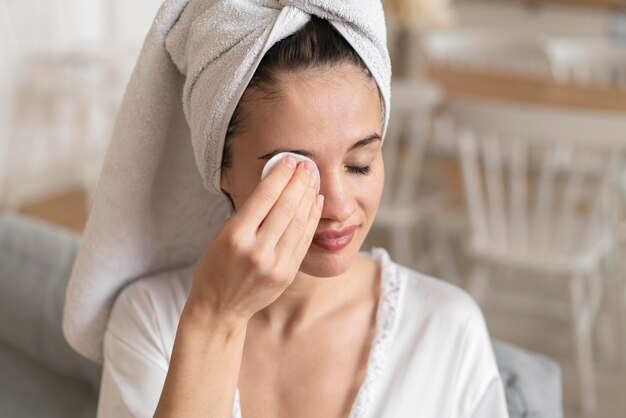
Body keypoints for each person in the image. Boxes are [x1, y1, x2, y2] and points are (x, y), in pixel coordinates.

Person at [64, 1, 509, 417]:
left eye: (360, 165)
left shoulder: (448, 331)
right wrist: (216, 318)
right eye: (295, 171)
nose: (336, 207)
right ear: (220, 170)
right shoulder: (151, 321)